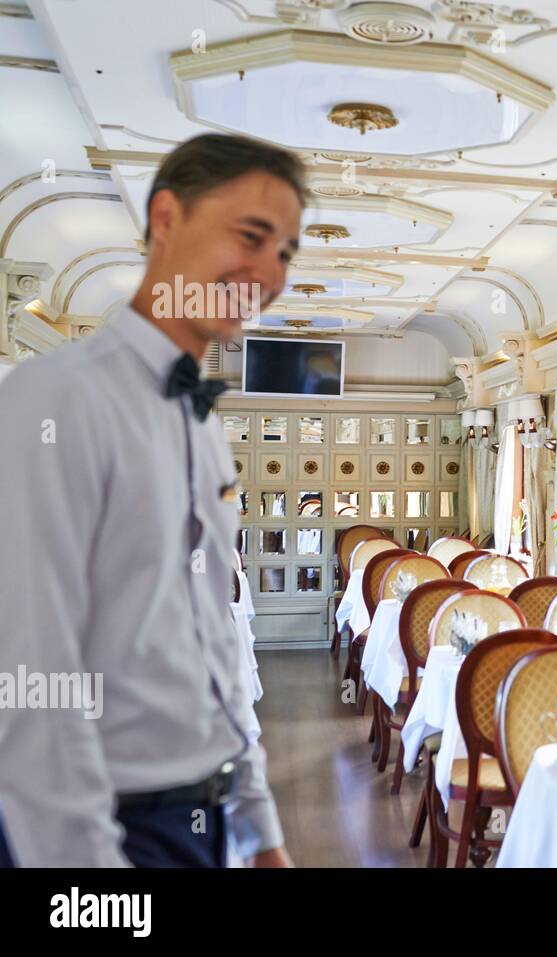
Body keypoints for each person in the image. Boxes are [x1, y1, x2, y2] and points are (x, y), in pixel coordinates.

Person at [0, 133, 304, 866]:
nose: (269, 272)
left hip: (201, 819)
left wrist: (260, 828)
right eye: (251, 235)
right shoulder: (55, 398)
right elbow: (31, 682)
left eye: (287, 252)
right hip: (101, 829)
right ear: (165, 217)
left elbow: (213, 646)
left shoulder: (198, 422)